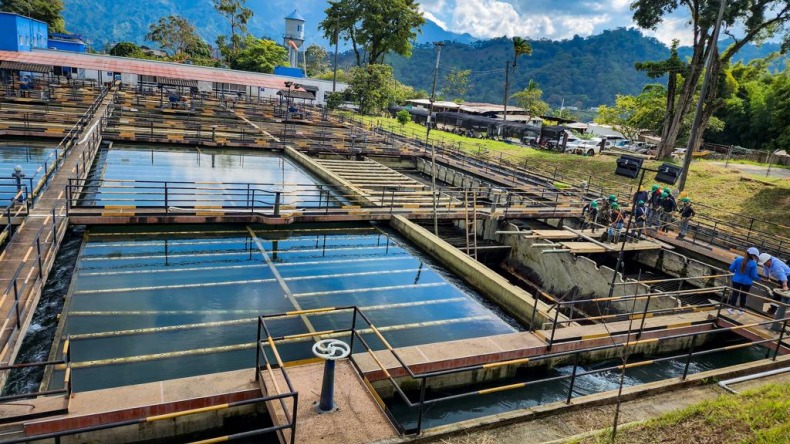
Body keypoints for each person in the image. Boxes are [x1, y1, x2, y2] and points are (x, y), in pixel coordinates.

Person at [758, 253, 790, 331]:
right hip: (781, 279)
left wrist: (785, 286)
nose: (765, 264)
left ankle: (782, 314)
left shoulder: (776, 266)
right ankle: (773, 309)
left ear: (769, 260)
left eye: (766, 263)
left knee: (784, 295)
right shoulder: (766, 264)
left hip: (788, 277)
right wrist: (766, 278)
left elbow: (783, 276)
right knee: (777, 295)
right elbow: (766, 270)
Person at [727, 247, 760, 315]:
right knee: (743, 296)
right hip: (747, 282)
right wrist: (760, 279)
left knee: (735, 294)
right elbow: (754, 276)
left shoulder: (738, 259)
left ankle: (731, 308)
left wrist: (736, 272)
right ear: (753, 255)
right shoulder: (753, 264)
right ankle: (741, 310)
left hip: (736, 280)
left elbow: (731, 268)